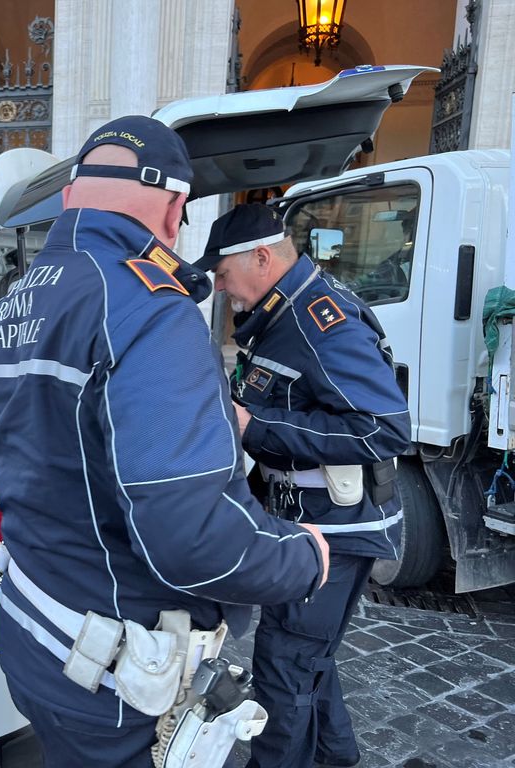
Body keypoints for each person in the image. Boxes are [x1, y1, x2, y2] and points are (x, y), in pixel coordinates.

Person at [0, 116, 331, 768]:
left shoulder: (9, 308)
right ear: (172, 210)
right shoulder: (149, 308)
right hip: (116, 688)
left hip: (34, 643)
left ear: (71, 197)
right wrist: (302, 554)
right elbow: (190, 537)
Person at [195, 203, 412, 768]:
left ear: (262, 258)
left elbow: (384, 427)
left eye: (223, 273)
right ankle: (336, 756)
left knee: (285, 663)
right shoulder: (281, 315)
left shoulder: (319, 321)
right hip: (304, 518)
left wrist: (253, 426)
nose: (221, 287)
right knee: (308, 656)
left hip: (337, 526)